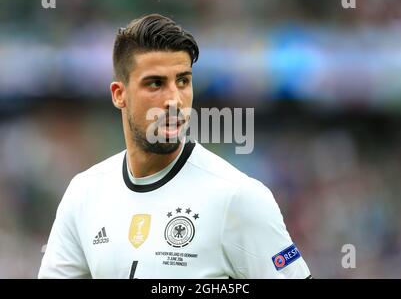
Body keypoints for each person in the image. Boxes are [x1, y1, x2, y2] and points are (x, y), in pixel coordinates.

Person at [38, 14, 311, 279]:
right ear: (119, 95)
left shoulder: (238, 197)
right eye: (155, 83)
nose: (174, 100)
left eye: (183, 81)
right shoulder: (84, 193)